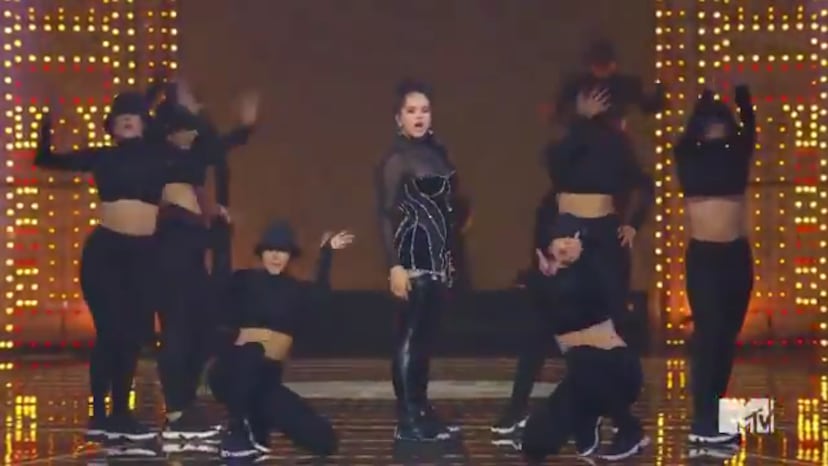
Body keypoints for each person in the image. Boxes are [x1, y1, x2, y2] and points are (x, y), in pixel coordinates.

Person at [34, 92, 173, 441]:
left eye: (133, 114)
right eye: (120, 114)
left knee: (131, 337)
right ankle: (99, 414)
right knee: (110, 333)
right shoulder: (102, 156)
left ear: (145, 122)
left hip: (144, 255)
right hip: (106, 254)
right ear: (111, 125)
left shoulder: (160, 156)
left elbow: (204, 153)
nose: (127, 118)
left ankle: (121, 414)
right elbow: (45, 159)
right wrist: (45, 126)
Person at [150, 80, 258, 440]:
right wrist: (166, 91)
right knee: (178, 328)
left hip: (195, 246)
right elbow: (147, 121)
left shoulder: (197, 153)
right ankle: (177, 410)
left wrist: (244, 126)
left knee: (203, 328)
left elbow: (220, 143)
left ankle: (186, 401)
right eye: (186, 125)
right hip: (171, 245)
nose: (192, 132)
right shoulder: (158, 152)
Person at [208, 221, 352, 458]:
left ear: (290, 256)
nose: (275, 256)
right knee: (252, 351)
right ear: (262, 253)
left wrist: (326, 253)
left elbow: (321, 297)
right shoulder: (244, 280)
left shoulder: (296, 290)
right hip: (231, 372)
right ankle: (237, 430)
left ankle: (255, 430)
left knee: (323, 440)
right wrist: (221, 233)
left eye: (282, 251)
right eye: (270, 250)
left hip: (264, 379)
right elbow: (218, 284)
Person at [376, 78, 466, 441]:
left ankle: (422, 411)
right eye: (411, 111)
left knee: (425, 340)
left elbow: (449, 209)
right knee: (410, 337)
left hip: (438, 257)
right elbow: (385, 214)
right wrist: (394, 265)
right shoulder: (396, 159)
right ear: (398, 117)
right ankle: (408, 418)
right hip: (412, 253)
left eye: (425, 110)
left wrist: (450, 257)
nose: (419, 116)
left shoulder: (437, 154)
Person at [520, 215, 649, 462]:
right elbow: (541, 326)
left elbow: (597, 289)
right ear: (548, 246)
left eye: (574, 238)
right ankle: (586, 420)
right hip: (583, 379)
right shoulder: (540, 283)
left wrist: (577, 260)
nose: (568, 244)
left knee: (586, 360)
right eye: (561, 239)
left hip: (617, 371)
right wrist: (546, 276)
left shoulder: (593, 271)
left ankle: (629, 429)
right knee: (535, 439)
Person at [673, 82, 755, 445]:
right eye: (711, 123)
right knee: (708, 336)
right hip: (705, 257)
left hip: (736, 256)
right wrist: (701, 104)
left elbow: (749, 133)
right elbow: (683, 141)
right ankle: (702, 420)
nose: (717, 130)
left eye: (722, 123)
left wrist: (744, 104)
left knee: (726, 338)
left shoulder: (737, 152)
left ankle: (715, 416)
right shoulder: (689, 155)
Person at [491, 190, 559, 434]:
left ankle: (616, 418)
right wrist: (543, 258)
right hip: (547, 284)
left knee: (586, 354)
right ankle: (517, 408)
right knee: (533, 347)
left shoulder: (592, 203)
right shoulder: (550, 203)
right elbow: (541, 235)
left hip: (576, 284)